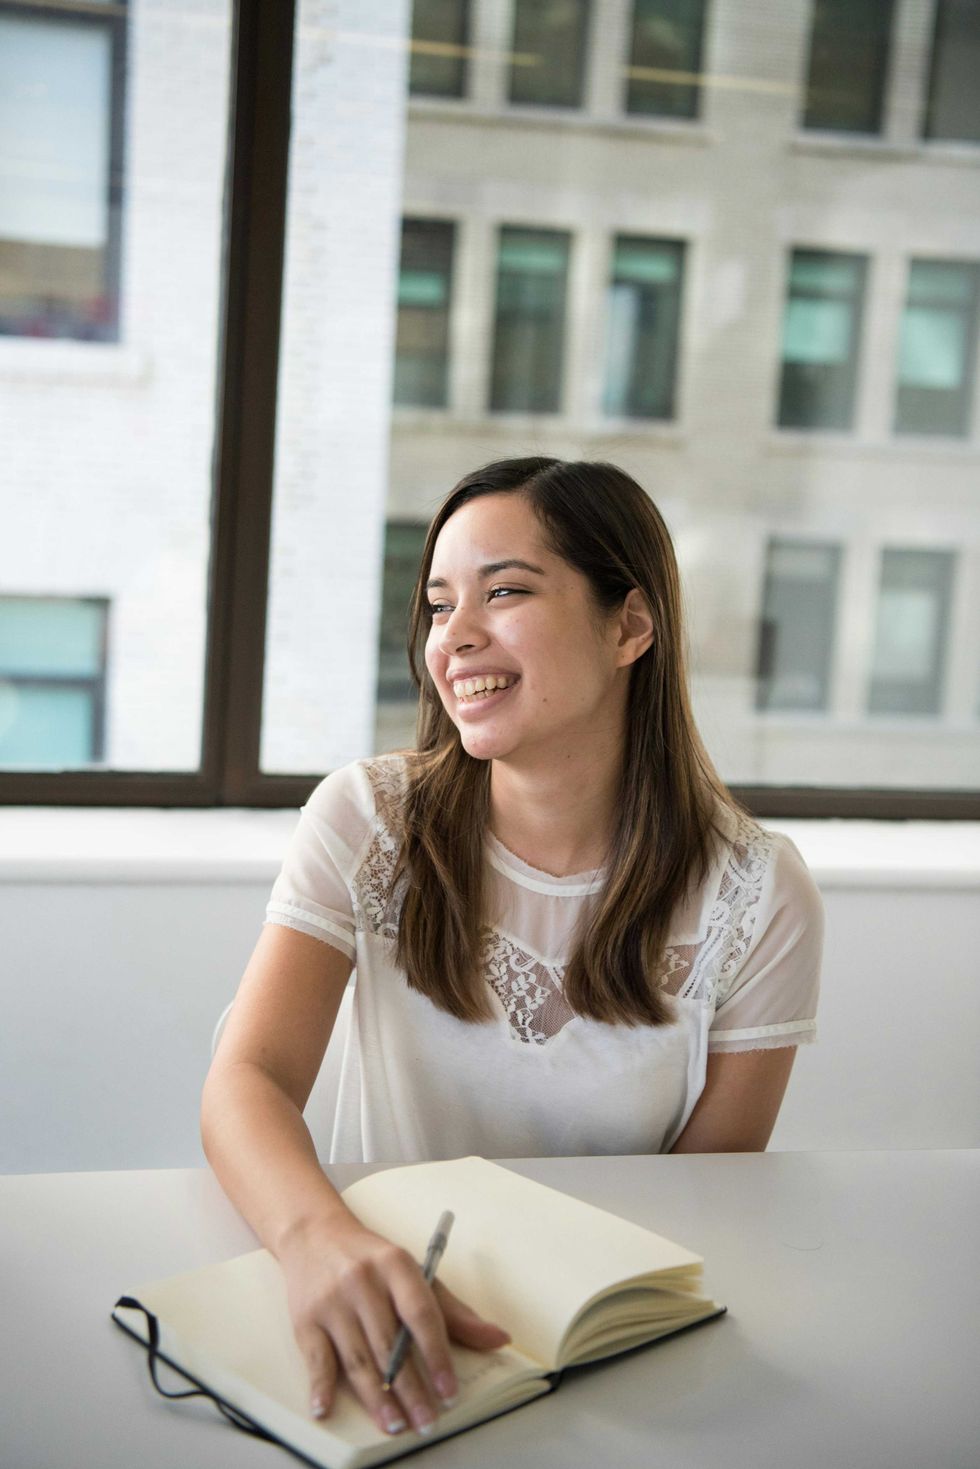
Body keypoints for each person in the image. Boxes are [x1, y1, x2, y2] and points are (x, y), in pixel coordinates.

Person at [201, 456, 823, 1441]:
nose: (456, 639)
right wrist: (317, 1238)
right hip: (384, 1325)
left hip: (611, 1365)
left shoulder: (756, 890)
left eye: (504, 592)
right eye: (440, 605)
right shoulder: (366, 818)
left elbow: (707, 1198)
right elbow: (247, 1078)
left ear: (630, 624)